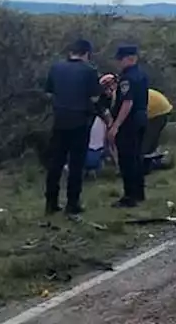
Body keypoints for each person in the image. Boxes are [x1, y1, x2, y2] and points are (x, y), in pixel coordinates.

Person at [43, 39, 102, 217]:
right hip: (79, 122)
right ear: (86, 53)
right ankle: (72, 203)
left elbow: (48, 93)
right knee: (76, 164)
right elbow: (95, 98)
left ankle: (51, 203)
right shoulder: (89, 71)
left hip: (60, 120)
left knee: (55, 163)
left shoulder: (56, 68)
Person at [108, 44, 149, 208]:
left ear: (128, 59)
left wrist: (116, 125)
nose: (118, 63)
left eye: (120, 59)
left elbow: (127, 102)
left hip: (129, 121)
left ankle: (129, 197)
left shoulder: (127, 78)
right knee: (137, 156)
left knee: (126, 159)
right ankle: (139, 193)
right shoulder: (141, 74)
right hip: (141, 118)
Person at [143, 88, 173, 157]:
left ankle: (146, 159)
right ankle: (152, 155)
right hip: (162, 108)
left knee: (146, 140)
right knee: (151, 137)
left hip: (157, 111)